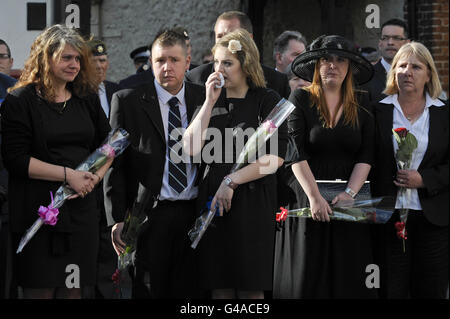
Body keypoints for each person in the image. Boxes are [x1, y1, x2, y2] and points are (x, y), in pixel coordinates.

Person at [0, 25, 112, 299]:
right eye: (66, 58)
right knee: (40, 291)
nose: (74, 65)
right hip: (37, 215)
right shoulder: (20, 100)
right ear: (45, 58)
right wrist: (68, 175)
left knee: (73, 291)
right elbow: (16, 159)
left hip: (81, 212)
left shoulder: (86, 97)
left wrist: (94, 177)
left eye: (78, 59)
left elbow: (110, 145)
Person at [183, 28, 288, 299]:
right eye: (216, 62)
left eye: (227, 63)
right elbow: (190, 148)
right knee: (220, 285)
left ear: (246, 64)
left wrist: (232, 180)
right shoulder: (208, 100)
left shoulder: (267, 100)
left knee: (250, 286)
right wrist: (208, 103)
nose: (219, 70)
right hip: (213, 204)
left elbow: (274, 159)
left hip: (253, 203)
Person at [105, 29, 206, 298]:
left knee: (190, 292)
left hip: (193, 213)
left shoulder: (204, 99)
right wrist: (116, 219)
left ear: (188, 61)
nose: (167, 67)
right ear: (151, 62)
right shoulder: (127, 101)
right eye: (160, 60)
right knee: (148, 290)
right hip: (149, 215)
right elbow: (114, 164)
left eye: (174, 60)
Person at [274, 35, 376, 298]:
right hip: (307, 196)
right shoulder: (300, 98)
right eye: (326, 60)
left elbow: (367, 154)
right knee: (310, 275)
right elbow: (294, 152)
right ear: (316, 66)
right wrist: (315, 197)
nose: (333, 65)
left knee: (348, 275)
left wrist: (351, 194)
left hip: (349, 201)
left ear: (349, 67)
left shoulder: (363, 102)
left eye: (340, 60)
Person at [371, 42, 448, 298]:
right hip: (388, 215)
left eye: (416, 66)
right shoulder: (377, 111)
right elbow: (367, 158)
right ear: (393, 72)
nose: (408, 72)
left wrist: (424, 178)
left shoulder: (443, 114)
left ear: (428, 75)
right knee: (391, 288)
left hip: (433, 217)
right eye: (401, 65)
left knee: (430, 289)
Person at [185, 10, 291, 99]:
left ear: (248, 39)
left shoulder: (276, 82)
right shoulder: (196, 79)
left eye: (231, 35)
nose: (224, 41)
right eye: (219, 36)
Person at [86, 38, 121, 299]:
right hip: (87, 176)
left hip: (113, 178)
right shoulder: (80, 94)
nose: (100, 65)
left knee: (111, 242)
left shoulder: (115, 91)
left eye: (103, 60)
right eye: (94, 60)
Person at [362, 19, 409, 103]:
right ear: (380, 43)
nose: (390, 42)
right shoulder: (366, 78)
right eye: (385, 38)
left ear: (407, 43)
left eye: (396, 38)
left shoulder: (417, 76)